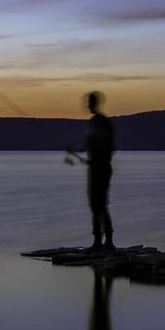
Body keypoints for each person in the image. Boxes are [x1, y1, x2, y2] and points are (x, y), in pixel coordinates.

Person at [74, 91, 115, 251]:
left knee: (99, 203)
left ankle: (106, 241)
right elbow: (87, 145)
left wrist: (95, 155)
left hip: (101, 167)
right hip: (96, 166)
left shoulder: (101, 122)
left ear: (95, 103)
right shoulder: (96, 122)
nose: (87, 106)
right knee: (95, 204)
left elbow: (103, 144)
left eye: (89, 103)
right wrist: (75, 149)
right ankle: (99, 240)